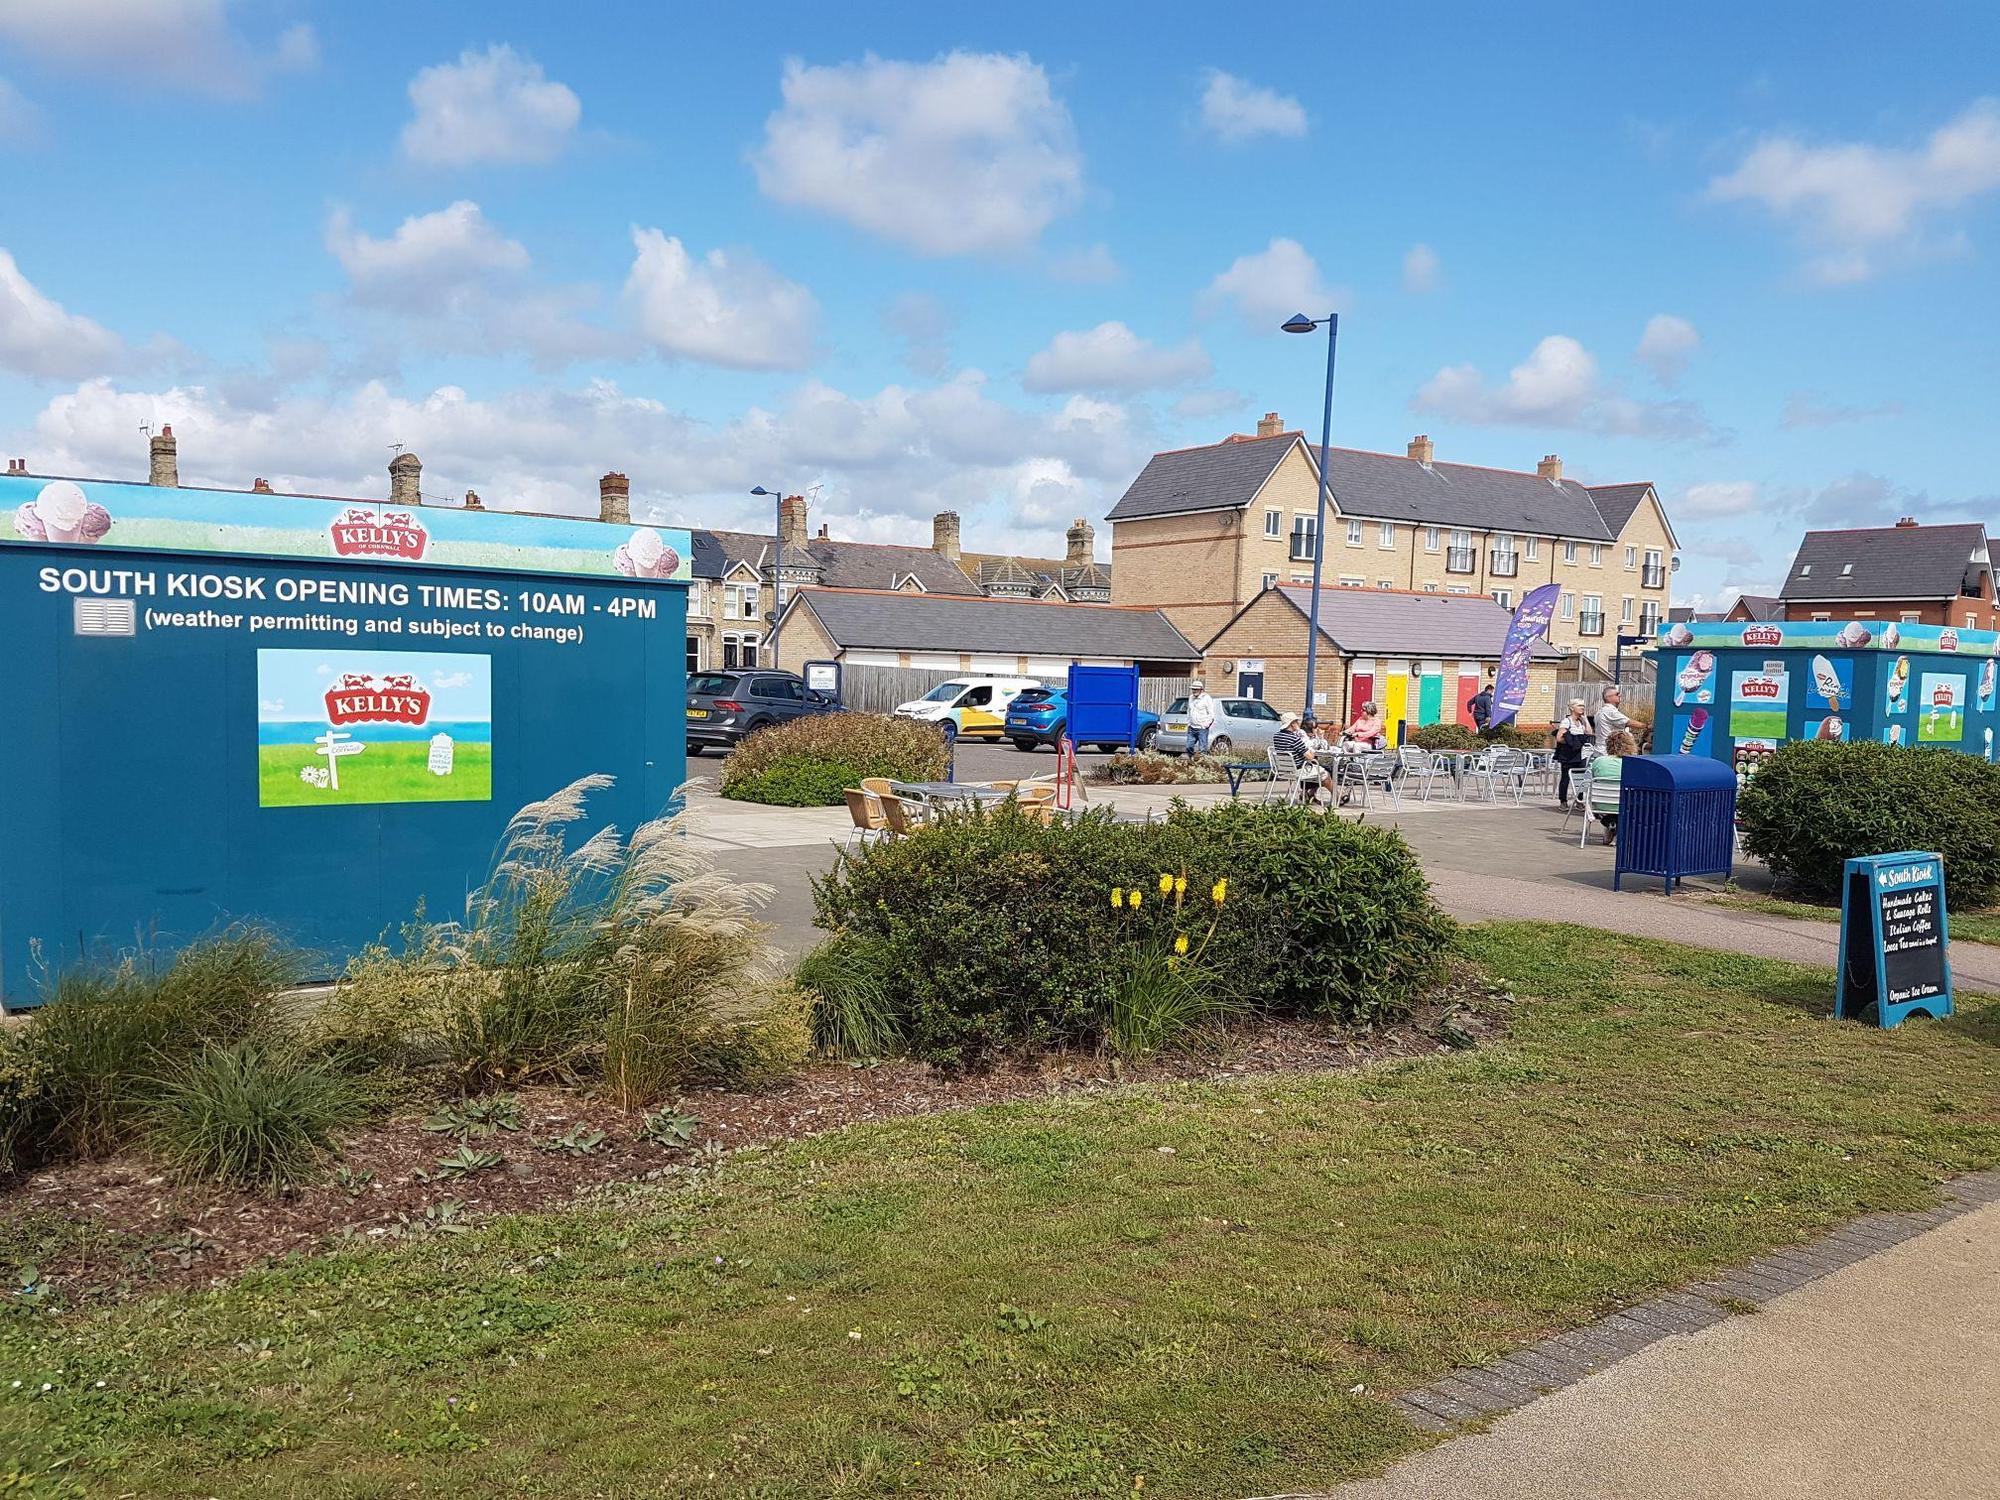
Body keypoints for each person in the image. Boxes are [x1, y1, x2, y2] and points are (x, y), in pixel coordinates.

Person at [1590, 728, 1638, 845]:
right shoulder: (1633, 763)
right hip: (1623, 804)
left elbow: (1589, 782)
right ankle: (1619, 832)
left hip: (1600, 804)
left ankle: (1610, 825)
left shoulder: (1599, 761)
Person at [1272, 711, 1327, 805]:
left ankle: (1308, 794)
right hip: (1298, 770)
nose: (1298, 724)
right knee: (1325, 774)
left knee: (1316, 769)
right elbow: (1310, 756)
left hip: (1283, 770)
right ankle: (1337, 797)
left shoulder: (1277, 736)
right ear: (1292, 724)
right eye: (1296, 722)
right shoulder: (1295, 739)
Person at [1552, 698, 1594, 805]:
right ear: (1572, 708)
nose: (1582, 707)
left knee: (1580, 777)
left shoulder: (1581, 722)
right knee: (1566, 777)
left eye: (1583, 705)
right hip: (1568, 755)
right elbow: (1559, 738)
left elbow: (1589, 732)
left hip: (1580, 754)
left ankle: (1579, 800)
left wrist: (1585, 720)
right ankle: (1563, 801)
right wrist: (1572, 742)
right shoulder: (1567, 721)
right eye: (1579, 705)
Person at [1184, 679, 1218, 757]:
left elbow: (1211, 714)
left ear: (1201, 690)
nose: (1194, 691)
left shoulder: (1207, 698)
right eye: (1193, 689)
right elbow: (1189, 711)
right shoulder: (1191, 698)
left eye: (1196, 689)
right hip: (1192, 727)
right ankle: (1192, 760)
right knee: (1188, 746)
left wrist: (1205, 725)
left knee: (1202, 749)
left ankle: (1202, 764)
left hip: (1202, 728)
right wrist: (1189, 723)